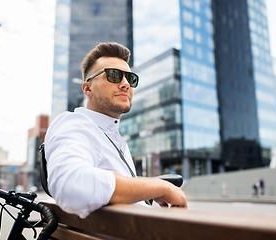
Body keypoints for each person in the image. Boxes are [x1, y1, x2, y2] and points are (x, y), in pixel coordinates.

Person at [44, 42, 187, 218]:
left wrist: (147, 190)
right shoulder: (75, 124)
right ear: (88, 88)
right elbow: (71, 185)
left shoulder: (113, 136)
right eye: (114, 75)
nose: (125, 84)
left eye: (130, 78)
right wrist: (159, 187)